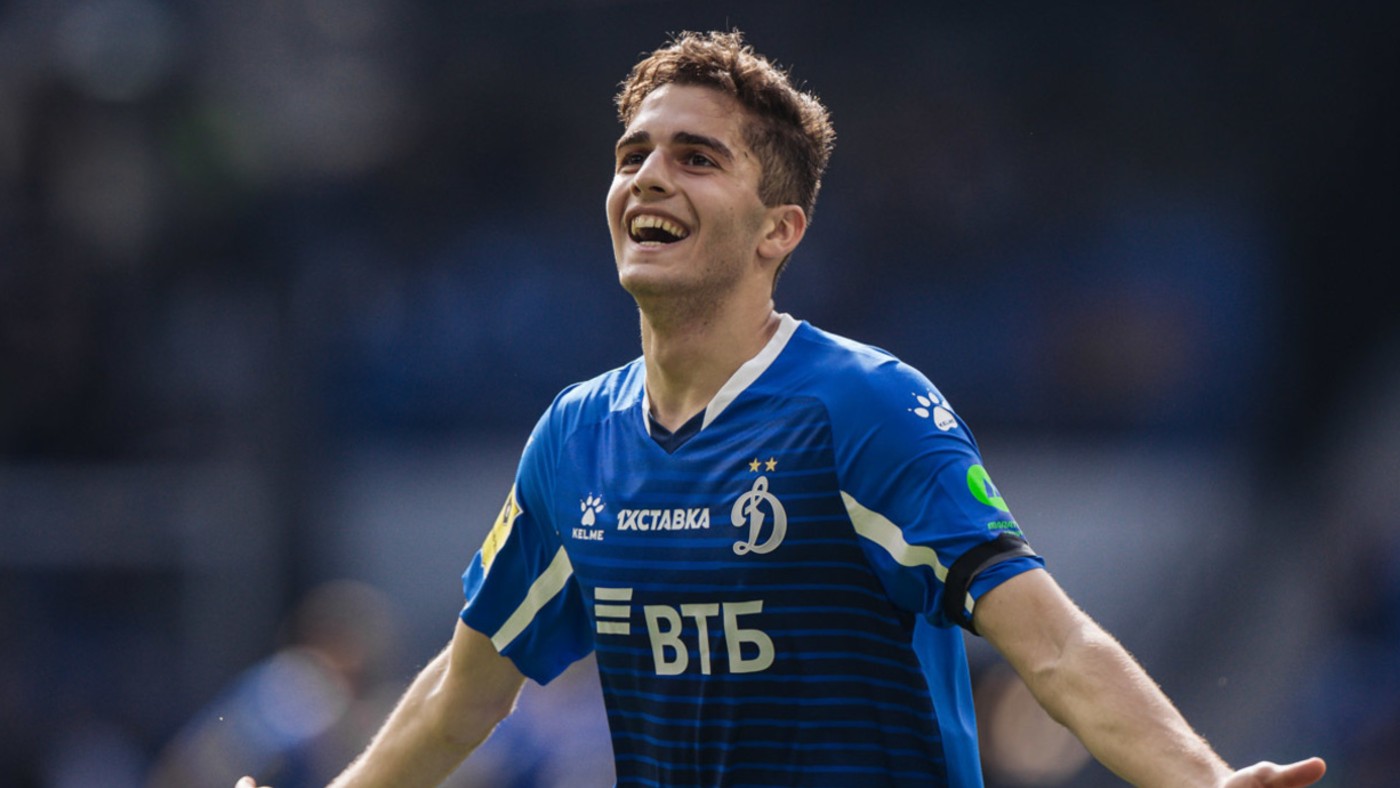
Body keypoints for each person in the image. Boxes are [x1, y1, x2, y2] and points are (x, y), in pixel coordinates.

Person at [240, 30, 1325, 788]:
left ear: (778, 230)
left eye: (695, 158)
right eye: (632, 155)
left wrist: (1200, 778)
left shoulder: (863, 407)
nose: (647, 177)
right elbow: (462, 693)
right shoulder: (575, 439)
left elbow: (1054, 645)